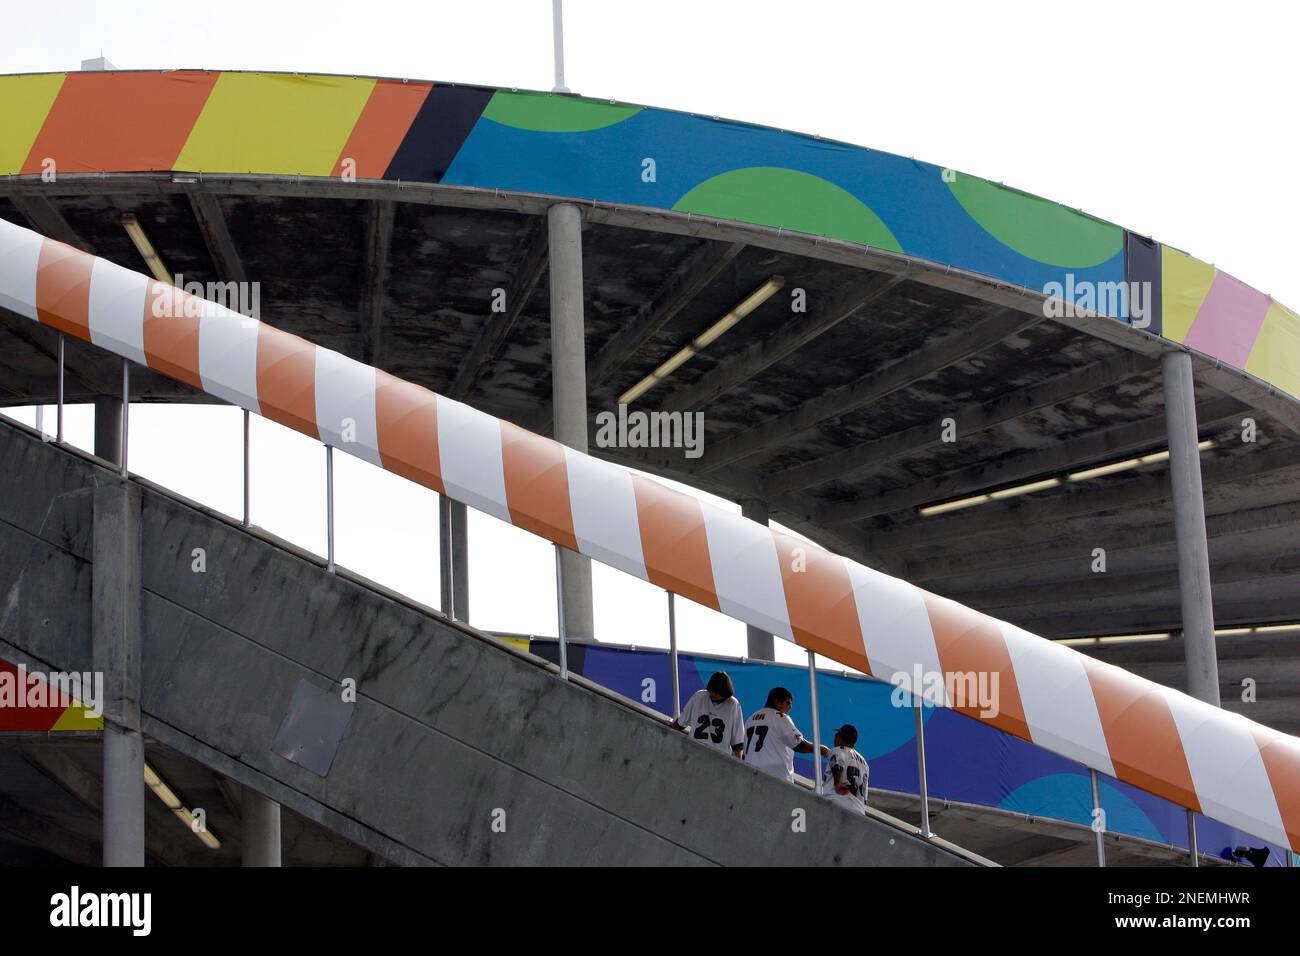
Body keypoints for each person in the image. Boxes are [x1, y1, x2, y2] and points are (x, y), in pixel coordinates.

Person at [743, 686, 829, 783]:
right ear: (777, 701)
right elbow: (799, 745)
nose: (790, 706)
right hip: (774, 778)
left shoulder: (750, 719)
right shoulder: (780, 717)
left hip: (750, 775)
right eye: (788, 702)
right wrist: (822, 750)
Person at [672, 671, 745, 758]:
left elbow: (738, 743)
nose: (713, 694)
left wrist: (738, 765)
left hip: (719, 758)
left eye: (717, 693)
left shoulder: (733, 704)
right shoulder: (699, 697)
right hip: (695, 754)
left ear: (725, 692)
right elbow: (680, 724)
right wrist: (673, 724)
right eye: (712, 691)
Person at [822, 724, 869, 814]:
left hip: (837, 802)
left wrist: (837, 783)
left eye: (836, 735)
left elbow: (837, 765)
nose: (835, 737)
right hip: (859, 810)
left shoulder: (838, 750)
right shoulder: (864, 762)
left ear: (839, 736)